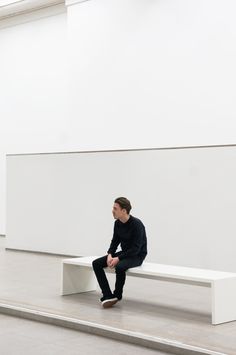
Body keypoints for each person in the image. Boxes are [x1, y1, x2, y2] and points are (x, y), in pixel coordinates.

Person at [92, 197, 147, 308]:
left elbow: (136, 249)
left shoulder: (137, 224)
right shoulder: (117, 223)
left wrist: (118, 258)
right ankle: (107, 294)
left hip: (137, 255)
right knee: (96, 263)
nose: (112, 210)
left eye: (115, 208)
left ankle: (117, 295)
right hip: (125, 253)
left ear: (124, 211)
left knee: (120, 267)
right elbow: (115, 241)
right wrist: (110, 255)